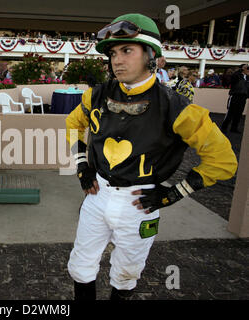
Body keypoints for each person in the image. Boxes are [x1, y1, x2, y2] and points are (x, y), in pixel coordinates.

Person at [65, 13, 237, 300]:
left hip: (139, 205)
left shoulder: (177, 107)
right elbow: (73, 126)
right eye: (113, 53)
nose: (116, 60)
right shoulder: (94, 96)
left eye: (127, 50)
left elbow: (223, 161)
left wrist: (174, 193)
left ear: (152, 56)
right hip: (97, 198)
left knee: (126, 272)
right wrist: (82, 166)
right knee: (81, 267)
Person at [221, 64, 249, 133]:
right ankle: (224, 127)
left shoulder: (248, 78)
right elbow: (232, 78)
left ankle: (234, 128)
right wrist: (241, 69)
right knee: (230, 112)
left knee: (239, 113)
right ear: (243, 69)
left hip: (243, 97)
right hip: (235, 96)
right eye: (247, 68)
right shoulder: (237, 75)